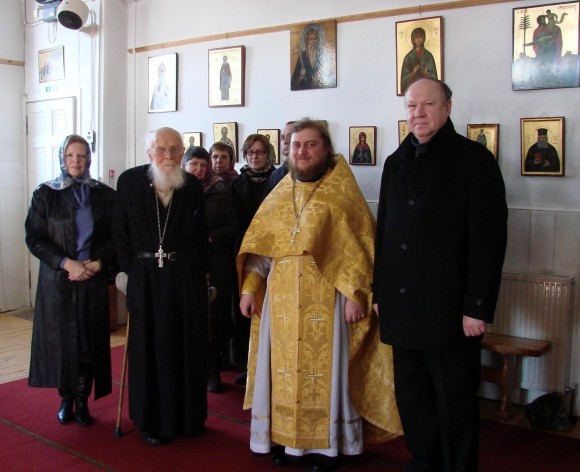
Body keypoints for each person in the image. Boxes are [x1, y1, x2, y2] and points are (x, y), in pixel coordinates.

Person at [238, 118, 402, 470]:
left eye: (311, 145)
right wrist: (251, 288)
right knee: (279, 375)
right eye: (296, 146)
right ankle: (282, 439)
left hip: (329, 304)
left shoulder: (343, 195)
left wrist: (358, 296)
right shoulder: (279, 194)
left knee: (328, 375)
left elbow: (362, 251)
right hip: (280, 306)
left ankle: (328, 447)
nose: (302, 151)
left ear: (326, 148)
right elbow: (260, 252)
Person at [373, 78, 507, 471]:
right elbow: (385, 233)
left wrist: (477, 306)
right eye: (412, 105)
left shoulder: (474, 161)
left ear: (447, 107)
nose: (418, 113)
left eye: (428, 104)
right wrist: (380, 293)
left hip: (451, 308)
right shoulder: (395, 162)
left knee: (454, 399)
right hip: (402, 304)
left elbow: (488, 240)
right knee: (412, 396)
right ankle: (424, 461)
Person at [113, 127, 210, 445]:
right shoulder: (129, 181)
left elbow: (199, 237)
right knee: (148, 349)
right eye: (161, 149)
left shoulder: (192, 185)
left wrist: (203, 278)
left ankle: (188, 417)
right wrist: (127, 273)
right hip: (144, 277)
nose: (168, 156)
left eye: (175, 149)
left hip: (184, 278)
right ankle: (151, 421)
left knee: (186, 345)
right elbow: (120, 233)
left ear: (184, 152)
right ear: (148, 153)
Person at [25, 134, 116, 428]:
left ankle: (82, 400)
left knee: (88, 343)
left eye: (82, 156)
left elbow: (116, 237)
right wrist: (67, 264)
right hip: (59, 281)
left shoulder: (103, 194)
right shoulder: (45, 194)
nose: (76, 162)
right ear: (62, 158)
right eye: (70, 156)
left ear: (89, 158)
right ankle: (66, 399)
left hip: (92, 277)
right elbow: (34, 238)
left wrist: (95, 263)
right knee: (63, 343)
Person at [182, 146, 240, 393]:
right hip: (185, 265)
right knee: (190, 319)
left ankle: (213, 369)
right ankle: (192, 368)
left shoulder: (221, 189)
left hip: (215, 264)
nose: (199, 169)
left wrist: (210, 238)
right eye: (194, 164)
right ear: (185, 164)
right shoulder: (175, 189)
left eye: (203, 165)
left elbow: (233, 225)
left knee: (214, 321)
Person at [230, 134, 276, 384]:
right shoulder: (236, 184)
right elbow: (232, 217)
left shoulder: (279, 179)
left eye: (259, 152)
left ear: (268, 154)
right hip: (245, 247)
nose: (255, 156)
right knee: (248, 309)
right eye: (250, 152)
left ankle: (271, 364)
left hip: (272, 249)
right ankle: (249, 365)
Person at [261, 121, 296, 199]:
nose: (285, 142)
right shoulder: (276, 175)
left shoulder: (312, 173)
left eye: (290, 137)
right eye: (283, 138)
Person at [400, 27, 438, 94]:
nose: (418, 40)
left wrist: (426, 74)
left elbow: (435, 78)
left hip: (427, 90)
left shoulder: (428, 56)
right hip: (413, 91)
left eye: (420, 37)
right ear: (413, 39)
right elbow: (403, 81)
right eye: (416, 38)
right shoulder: (408, 57)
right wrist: (413, 73)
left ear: (424, 39)